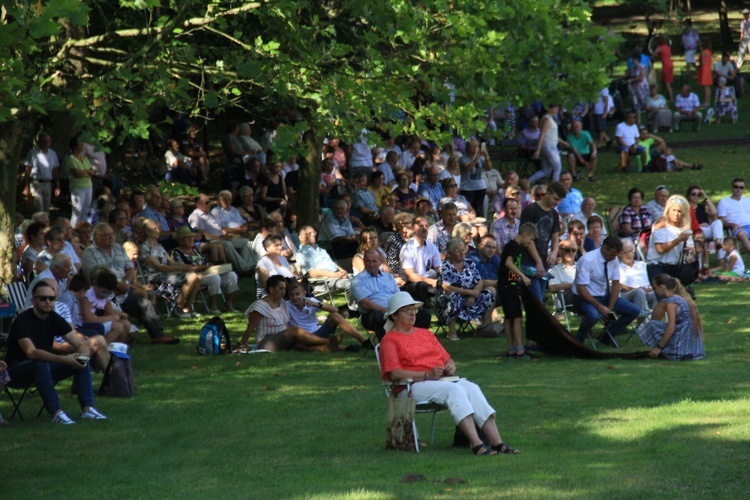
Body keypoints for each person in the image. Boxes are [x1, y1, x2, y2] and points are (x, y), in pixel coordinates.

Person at [378, 292, 520, 456]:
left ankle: (497, 442)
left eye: (413, 309)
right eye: (406, 310)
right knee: (455, 390)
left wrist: (449, 367)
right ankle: (477, 444)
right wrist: (426, 375)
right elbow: (394, 373)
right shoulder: (390, 340)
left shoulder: (424, 334)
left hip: (438, 380)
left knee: (471, 387)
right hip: (409, 386)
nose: (412, 314)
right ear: (394, 316)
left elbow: (447, 359)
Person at [4, 281, 107, 424]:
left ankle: (87, 409)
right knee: (39, 363)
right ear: (34, 301)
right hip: (15, 371)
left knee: (80, 360)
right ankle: (56, 413)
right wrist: (65, 360)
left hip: (45, 368)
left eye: (51, 298)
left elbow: (78, 343)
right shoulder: (22, 321)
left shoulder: (53, 318)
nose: (48, 302)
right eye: (43, 298)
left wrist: (82, 358)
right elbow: (31, 352)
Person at [82, 223, 179, 344]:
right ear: (96, 237)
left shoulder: (118, 248)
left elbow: (130, 269)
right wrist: (116, 286)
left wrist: (126, 283)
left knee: (144, 303)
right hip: (103, 293)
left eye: (111, 234)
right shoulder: (89, 253)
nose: (111, 237)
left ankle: (158, 335)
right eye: (106, 235)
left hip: (124, 287)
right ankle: (121, 334)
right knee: (130, 334)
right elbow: (94, 276)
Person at [237, 276, 337, 352]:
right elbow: (250, 328)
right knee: (295, 330)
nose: (284, 292)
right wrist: (242, 344)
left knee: (304, 345)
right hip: (267, 342)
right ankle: (327, 341)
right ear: (271, 289)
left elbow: (286, 324)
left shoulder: (282, 303)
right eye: (281, 289)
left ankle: (347, 347)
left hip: (285, 339)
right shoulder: (259, 306)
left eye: (285, 289)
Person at [572, 236, 640, 344]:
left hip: (603, 296)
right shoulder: (588, 260)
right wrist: (599, 306)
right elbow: (581, 289)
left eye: (616, 255)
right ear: (604, 248)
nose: (614, 258)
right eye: (612, 254)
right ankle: (578, 339)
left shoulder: (613, 259)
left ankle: (607, 336)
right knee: (593, 315)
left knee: (634, 310)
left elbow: (616, 284)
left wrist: (610, 308)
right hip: (583, 298)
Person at [352, 248, 427, 341]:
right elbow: (365, 304)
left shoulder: (388, 277)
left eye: (374, 261)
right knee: (379, 316)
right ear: (364, 262)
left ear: (380, 262)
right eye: (368, 261)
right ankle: (388, 347)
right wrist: (387, 312)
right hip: (373, 314)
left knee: (424, 315)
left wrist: (399, 310)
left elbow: (398, 297)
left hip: (395, 311)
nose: (371, 264)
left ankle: (416, 342)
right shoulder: (358, 280)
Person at [139, 219, 204, 319]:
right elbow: (158, 267)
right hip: (155, 277)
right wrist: (181, 269)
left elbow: (171, 262)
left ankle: (187, 307)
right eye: (154, 228)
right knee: (192, 277)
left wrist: (187, 267)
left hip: (167, 274)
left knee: (198, 276)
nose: (158, 231)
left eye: (158, 228)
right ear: (147, 231)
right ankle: (178, 307)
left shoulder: (158, 246)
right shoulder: (145, 247)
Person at [435, 238, 496, 341]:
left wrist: (472, 296)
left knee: (488, 293)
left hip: (469, 297)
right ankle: (452, 332)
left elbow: (479, 281)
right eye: (458, 251)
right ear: (450, 253)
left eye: (463, 249)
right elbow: (446, 287)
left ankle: (484, 326)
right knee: (454, 296)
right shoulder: (445, 266)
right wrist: (469, 292)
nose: (462, 252)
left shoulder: (470, 263)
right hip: (448, 298)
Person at [286, 281, 371, 351]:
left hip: (318, 331)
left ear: (304, 293)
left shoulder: (310, 301)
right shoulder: (286, 306)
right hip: (304, 336)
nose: (295, 297)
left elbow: (336, 310)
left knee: (334, 316)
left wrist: (317, 305)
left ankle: (364, 342)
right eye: (292, 295)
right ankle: (347, 348)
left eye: (297, 294)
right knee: (302, 345)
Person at [170, 226, 238, 314]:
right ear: (180, 240)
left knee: (232, 275)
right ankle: (212, 305)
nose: (191, 240)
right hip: (192, 278)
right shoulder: (176, 252)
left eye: (192, 237)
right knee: (215, 278)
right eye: (187, 238)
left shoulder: (195, 249)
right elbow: (184, 268)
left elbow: (204, 261)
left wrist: (209, 265)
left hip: (206, 273)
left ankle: (228, 304)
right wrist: (202, 267)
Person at [637, 274, 704, 360]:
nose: (655, 291)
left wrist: (659, 348)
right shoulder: (680, 298)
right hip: (694, 348)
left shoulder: (671, 302)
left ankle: (666, 349)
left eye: (655, 288)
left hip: (683, 340)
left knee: (651, 324)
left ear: (661, 287)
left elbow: (671, 328)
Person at [519, 181, 565, 302]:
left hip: (544, 261)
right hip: (528, 261)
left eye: (559, 200)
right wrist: (537, 260)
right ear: (547, 193)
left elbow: (555, 237)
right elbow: (527, 239)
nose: (556, 203)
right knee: (536, 301)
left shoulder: (554, 213)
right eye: (555, 198)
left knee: (538, 301)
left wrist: (554, 252)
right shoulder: (531, 210)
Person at [188, 193, 256, 273]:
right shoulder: (196, 216)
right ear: (198, 204)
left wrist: (224, 233)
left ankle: (251, 266)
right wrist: (220, 238)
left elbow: (219, 228)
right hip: (211, 240)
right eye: (206, 202)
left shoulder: (209, 214)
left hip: (222, 237)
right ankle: (244, 268)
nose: (209, 204)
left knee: (244, 242)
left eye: (209, 202)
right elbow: (202, 234)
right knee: (227, 244)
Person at [498, 223, 537, 359]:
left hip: (507, 285)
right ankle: (520, 350)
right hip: (508, 286)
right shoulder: (514, 246)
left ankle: (511, 349)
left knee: (509, 318)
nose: (530, 242)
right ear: (525, 235)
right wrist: (523, 276)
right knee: (517, 318)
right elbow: (508, 263)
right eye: (531, 239)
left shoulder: (511, 246)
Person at [646, 195, 695, 281]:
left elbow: (690, 250)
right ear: (668, 210)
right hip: (657, 266)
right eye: (674, 210)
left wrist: (691, 254)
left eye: (679, 211)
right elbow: (660, 249)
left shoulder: (686, 228)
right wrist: (679, 239)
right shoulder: (660, 225)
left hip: (675, 267)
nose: (676, 214)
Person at [399, 216, 442, 304]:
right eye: (421, 226)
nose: (424, 228)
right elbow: (410, 276)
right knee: (422, 285)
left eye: (426, 226)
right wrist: (431, 281)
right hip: (408, 284)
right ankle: (423, 309)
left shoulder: (431, 247)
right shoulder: (407, 248)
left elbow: (439, 269)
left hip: (426, 280)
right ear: (413, 228)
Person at [22, 132, 60, 213]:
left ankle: (45, 225)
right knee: (38, 208)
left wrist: (58, 185)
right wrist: (26, 185)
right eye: (44, 141)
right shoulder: (32, 153)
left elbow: (55, 170)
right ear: (39, 141)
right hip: (36, 183)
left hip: (47, 183)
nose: (46, 143)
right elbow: (28, 169)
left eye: (48, 141)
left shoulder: (52, 153)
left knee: (46, 209)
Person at [617, 238, 656, 315]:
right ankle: (642, 324)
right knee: (640, 292)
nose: (628, 255)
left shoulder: (642, 265)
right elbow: (618, 285)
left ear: (633, 251)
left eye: (630, 251)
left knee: (659, 293)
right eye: (624, 252)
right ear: (619, 254)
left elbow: (653, 280)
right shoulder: (617, 267)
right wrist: (637, 289)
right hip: (627, 295)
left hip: (647, 292)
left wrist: (651, 288)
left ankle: (654, 321)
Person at [530, 104, 567, 183]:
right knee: (557, 167)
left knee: (546, 170)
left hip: (550, 146)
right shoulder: (547, 119)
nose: (556, 111)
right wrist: (538, 150)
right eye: (554, 109)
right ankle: (555, 187)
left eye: (557, 109)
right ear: (549, 109)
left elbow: (553, 135)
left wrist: (563, 142)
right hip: (549, 147)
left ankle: (529, 181)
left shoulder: (551, 119)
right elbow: (542, 134)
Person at [64, 136, 95, 228]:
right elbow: (76, 173)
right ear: (74, 146)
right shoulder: (70, 158)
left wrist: (85, 172)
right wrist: (87, 172)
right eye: (80, 145)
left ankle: (82, 229)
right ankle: (73, 229)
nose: (82, 146)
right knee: (77, 210)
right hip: (77, 187)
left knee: (85, 209)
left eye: (82, 144)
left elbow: (91, 170)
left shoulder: (84, 158)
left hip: (88, 185)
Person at [717, 178, 750, 254]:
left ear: (744, 189)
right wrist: (733, 225)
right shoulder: (724, 202)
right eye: (736, 187)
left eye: (741, 187)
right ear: (732, 187)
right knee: (742, 234)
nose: (738, 189)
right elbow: (721, 221)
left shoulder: (748, 200)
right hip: (738, 228)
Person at [458, 139, 489, 217]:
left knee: (479, 209)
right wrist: (476, 159)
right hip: (467, 188)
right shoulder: (463, 159)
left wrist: (486, 155)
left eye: (477, 146)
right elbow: (467, 169)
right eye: (472, 146)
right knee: (469, 210)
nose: (475, 148)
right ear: (467, 148)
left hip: (480, 187)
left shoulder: (481, 159)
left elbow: (489, 168)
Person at [651, 36, 674, 101]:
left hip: (665, 65)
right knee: (665, 80)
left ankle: (671, 97)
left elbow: (653, 55)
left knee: (667, 82)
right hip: (670, 63)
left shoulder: (659, 48)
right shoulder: (668, 47)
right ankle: (666, 94)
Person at [697, 38, 713, 106]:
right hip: (708, 69)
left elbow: (702, 62)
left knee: (705, 86)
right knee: (707, 86)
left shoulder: (703, 52)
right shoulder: (708, 51)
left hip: (704, 70)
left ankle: (706, 102)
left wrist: (697, 66)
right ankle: (707, 101)